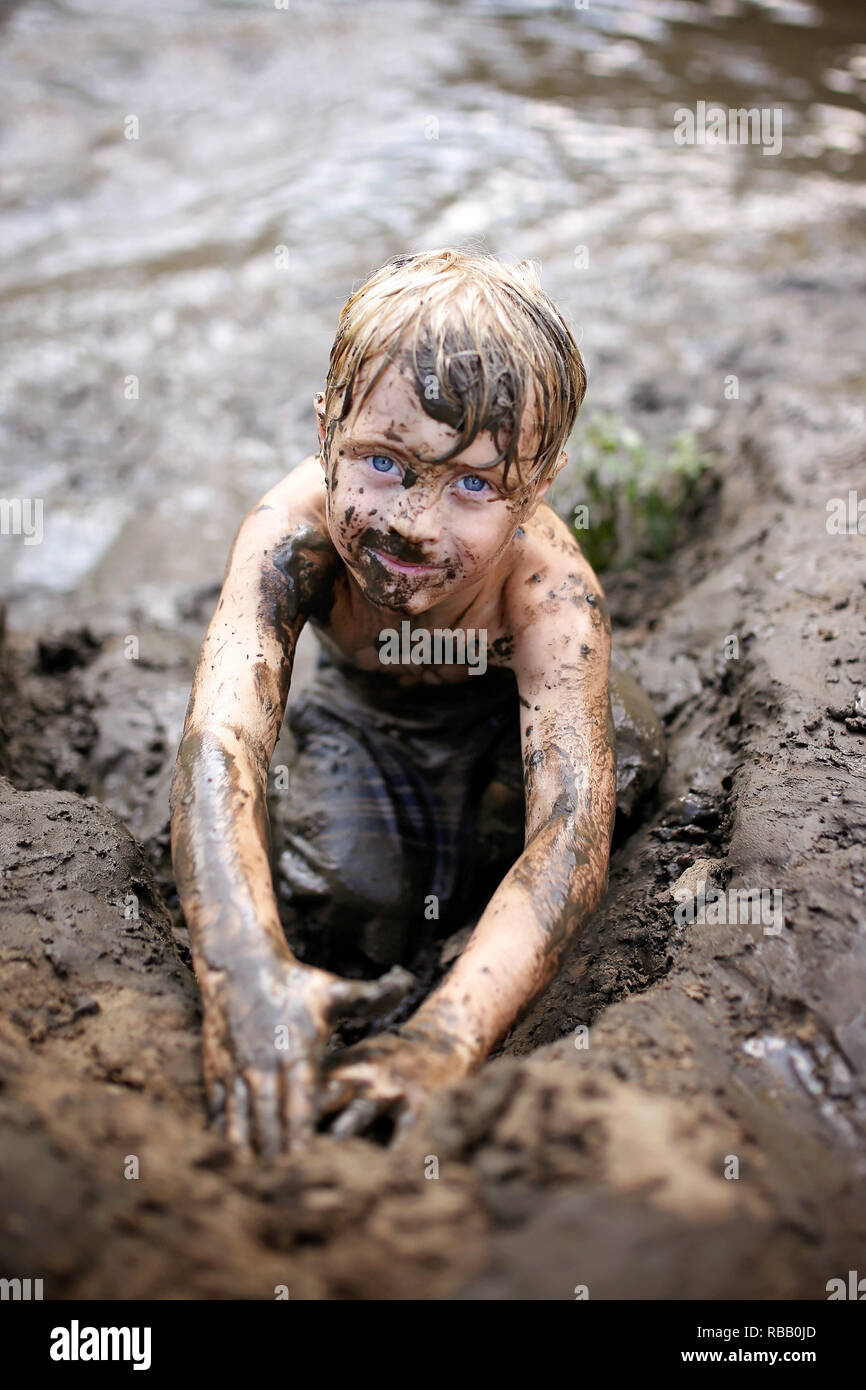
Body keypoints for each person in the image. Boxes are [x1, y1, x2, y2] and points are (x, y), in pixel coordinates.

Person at [169, 247, 664, 1157]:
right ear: (326, 432)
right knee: (350, 906)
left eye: (476, 484)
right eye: (386, 463)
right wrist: (238, 966)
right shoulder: (291, 541)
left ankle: (475, 939)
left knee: (626, 766)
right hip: (374, 719)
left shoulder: (552, 595)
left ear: (539, 485)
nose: (416, 523)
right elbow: (222, 746)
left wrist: (446, 1040)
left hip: (505, 719)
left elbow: (572, 831)